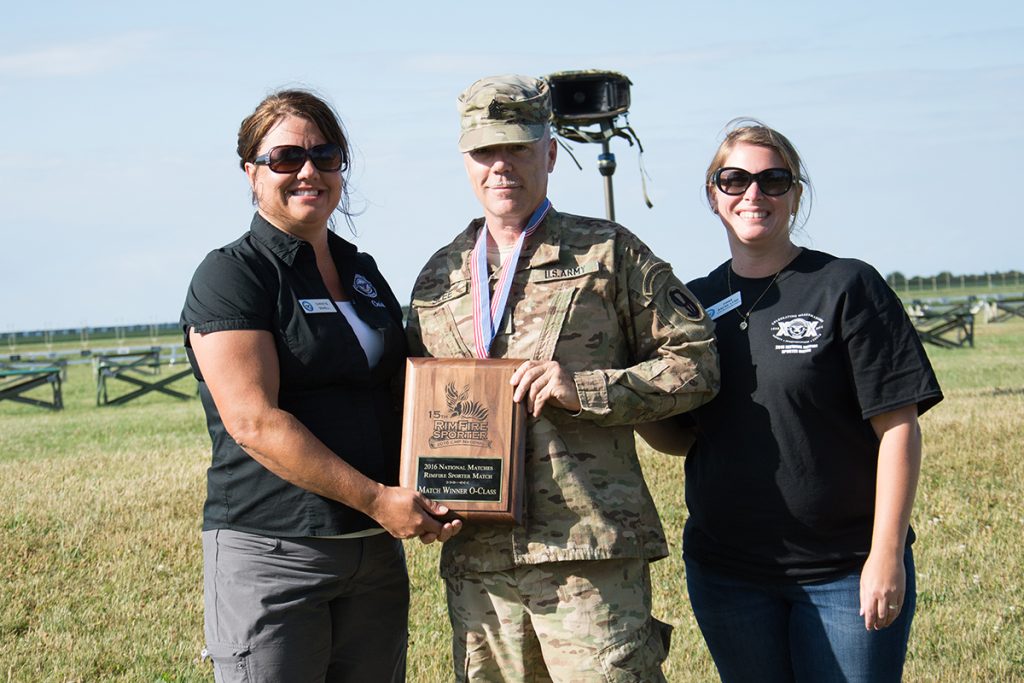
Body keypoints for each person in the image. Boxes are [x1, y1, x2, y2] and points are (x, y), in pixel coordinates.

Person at [405, 74, 720, 682]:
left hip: (588, 557)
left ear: (549, 152)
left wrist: (589, 389)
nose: (501, 167)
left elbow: (697, 362)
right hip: (479, 563)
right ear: (465, 161)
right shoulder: (437, 278)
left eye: (518, 148)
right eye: (484, 152)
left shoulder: (609, 253)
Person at [640, 120, 943, 682]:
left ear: (795, 194)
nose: (753, 194)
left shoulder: (847, 286)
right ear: (714, 194)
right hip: (727, 573)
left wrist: (886, 556)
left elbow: (898, 427)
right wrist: (630, 397)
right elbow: (684, 439)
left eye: (773, 180)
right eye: (734, 180)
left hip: (843, 572)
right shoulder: (694, 305)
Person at [180, 88, 461, 682]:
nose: (308, 171)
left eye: (326, 156)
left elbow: (406, 390)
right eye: (285, 158)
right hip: (275, 553)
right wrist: (377, 500)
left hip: (373, 555)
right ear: (251, 173)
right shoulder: (232, 275)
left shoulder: (361, 269)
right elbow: (254, 422)